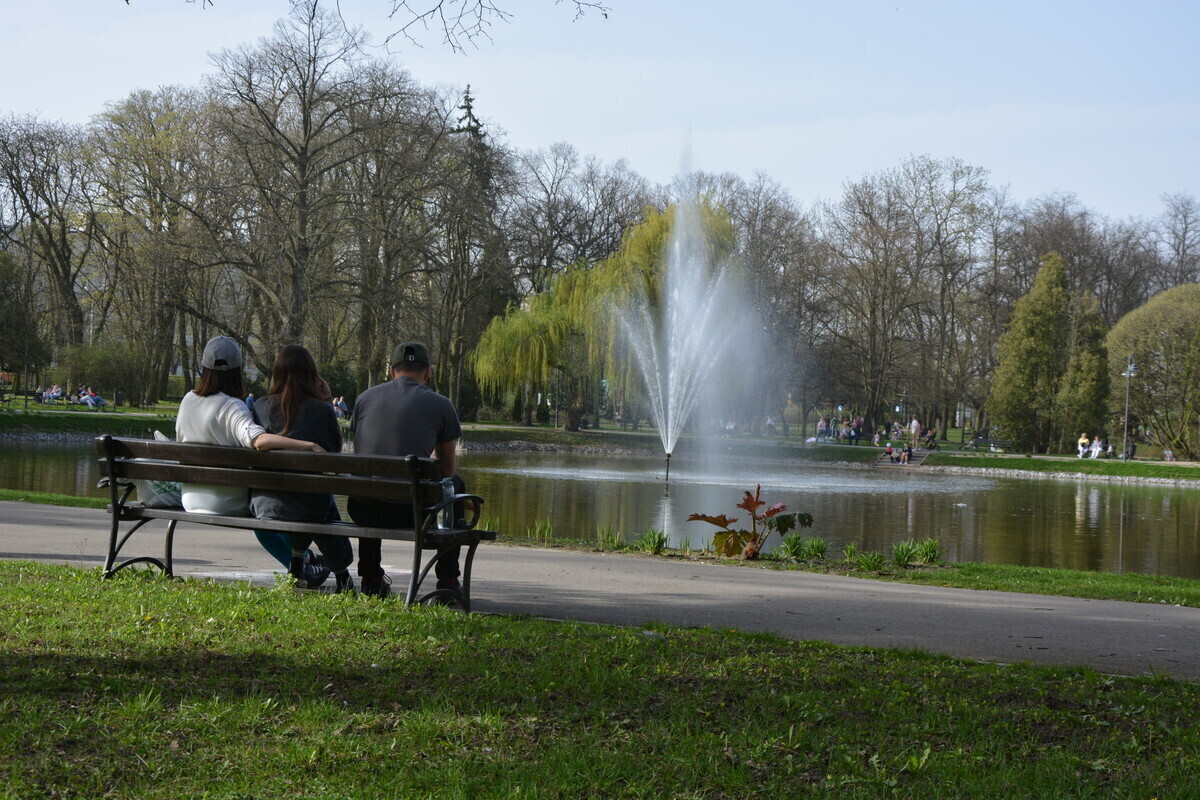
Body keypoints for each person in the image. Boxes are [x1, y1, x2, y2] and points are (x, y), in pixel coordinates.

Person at [176, 336, 330, 587]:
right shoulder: (233, 406)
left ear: (204, 368)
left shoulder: (188, 400)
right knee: (266, 505)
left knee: (265, 509)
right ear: (237, 371)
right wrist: (309, 445)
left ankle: (305, 562)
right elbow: (258, 440)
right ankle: (303, 562)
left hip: (191, 498)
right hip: (227, 501)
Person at [348, 341, 465, 601]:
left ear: (392, 371)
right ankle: (447, 581)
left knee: (370, 484)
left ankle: (371, 578)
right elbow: (446, 470)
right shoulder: (441, 404)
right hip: (413, 513)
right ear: (427, 372)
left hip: (364, 509)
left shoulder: (364, 399)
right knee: (455, 485)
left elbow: (363, 455)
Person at [251, 344, 354, 593]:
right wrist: (328, 400)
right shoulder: (320, 410)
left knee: (311, 500)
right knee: (320, 504)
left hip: (265, 504)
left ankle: (297, 569)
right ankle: (342, 574)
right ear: (312, 375)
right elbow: (334, 460)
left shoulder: (259, 407)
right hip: (309, 506)